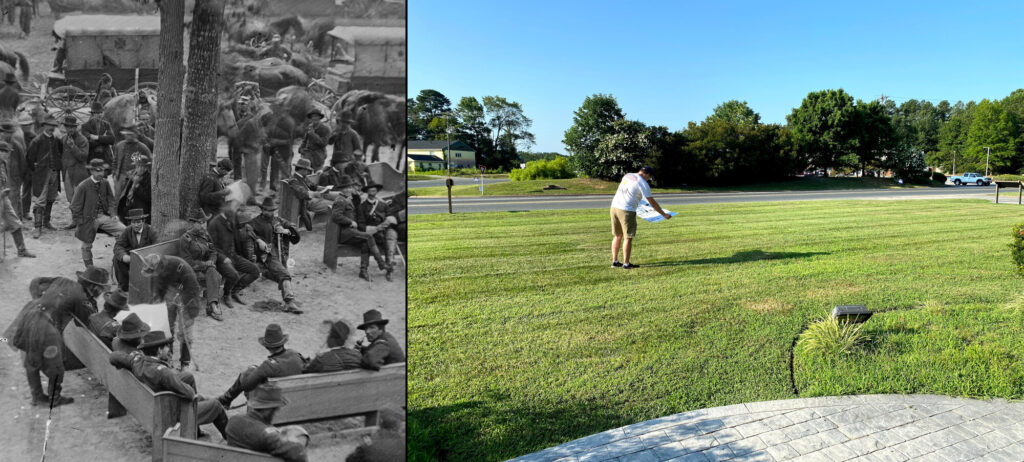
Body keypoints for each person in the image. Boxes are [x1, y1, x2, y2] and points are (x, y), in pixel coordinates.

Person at [4, 267, 111, 406]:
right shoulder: (82, 300)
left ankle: (36, 396)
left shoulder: (62, 280)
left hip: (29, 314)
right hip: (45, 326)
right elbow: (87, 324)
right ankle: (55, 399)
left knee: (31, 359)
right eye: (101, 288)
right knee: (56, 366)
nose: (101, 292)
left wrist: (39, 299)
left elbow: (35, 282)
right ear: (93, 287)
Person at [109, 331, 229, 438]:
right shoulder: (163, 373)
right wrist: (201, 397)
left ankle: (195, 430)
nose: (169, 349)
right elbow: (190, 394)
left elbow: (113, 356)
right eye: (166, 346)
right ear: (159, 350)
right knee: (216, 405)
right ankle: (232, 440)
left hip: (153, 404)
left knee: (188, 377)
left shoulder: (137, 361)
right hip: (168, 414)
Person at [216, 324, 305, 409]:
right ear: (283, 342)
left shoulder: (268, 365)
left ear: (267, 346)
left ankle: (225, 400)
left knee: (247, 373)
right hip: (296, 401)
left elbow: (246, 386)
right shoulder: (296, 355)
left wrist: (253, 370)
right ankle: (225, 400)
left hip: (272, 404)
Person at [141, 254, 206, 369]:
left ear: (157, 267)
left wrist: (183, 302)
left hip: (188, 294)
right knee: (166, 326)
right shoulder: (159, 269)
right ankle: (168, 357)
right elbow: (159, 286)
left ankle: (184, 363)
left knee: (185, 331)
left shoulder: (180, 267)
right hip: (171, 291)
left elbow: (192, 287)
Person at [225, 383, 309, 462]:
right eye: (275, 410)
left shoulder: (233, 421)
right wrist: (294, 441)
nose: (276, 412)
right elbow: (299, 455)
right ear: (268, 410)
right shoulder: (267, 435)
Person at [246, 197, 302, 313]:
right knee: (284, 273)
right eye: (268, 211)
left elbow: (290, 225)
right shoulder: (255, 222)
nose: (271, 213)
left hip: (278, 253)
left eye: (272, 211)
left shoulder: (276, 219)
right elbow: (247, 230)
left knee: (281, 273)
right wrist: (258, 240)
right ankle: (289, 302)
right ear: (262, 210)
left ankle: (268, 274)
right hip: (266, 255)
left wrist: (286, 230)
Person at [609, 166, 671, 269]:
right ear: (647, 174)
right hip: (626, 210)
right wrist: (663, 214)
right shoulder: (643, 183)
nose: (648, 179)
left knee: (617, 235)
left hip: (614, 207)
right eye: (649, 177)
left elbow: (630, 193)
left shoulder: (628, 175)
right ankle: (626, 264)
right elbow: (652, 202)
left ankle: (615, 261)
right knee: (628, 237)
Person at [70, 159, 126, 267]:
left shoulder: (105, 183)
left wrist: (113, 214)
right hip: (88, 218)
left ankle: (118, 259)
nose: (101, 173)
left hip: (103, 216)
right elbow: (74, 206)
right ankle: (89, 268)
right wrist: (80, 222)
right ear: (91, 171)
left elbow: (111, 200)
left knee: (123, 230)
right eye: (97, 171)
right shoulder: (83, 186)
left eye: (102, 171)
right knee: (86, 245)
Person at [179, 207, 229, 321]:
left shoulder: (205, 235)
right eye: (200, 223)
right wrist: (205, 264)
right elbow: (187, 261)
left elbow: (213, 251)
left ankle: (212, 305)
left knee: (213, 271)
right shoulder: (185, 239)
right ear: (192, 224)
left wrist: (211, 261)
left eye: (205, 223)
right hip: (191, 270)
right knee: (212, 272)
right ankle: (212, 306)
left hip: (205, 267)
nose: (203, 226)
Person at [208, 201, 260, 307]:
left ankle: (234, 291)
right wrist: (223, 258)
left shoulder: (231, 219)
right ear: (224, 208)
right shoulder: (214, 223)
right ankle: (226, 295)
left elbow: (238, 237)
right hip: (220, 259)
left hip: (233, 256)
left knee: (255, 271)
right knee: (234, 275)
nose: (234, 210)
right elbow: (211, 247)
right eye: (232, 208)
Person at [330, 176, 383, 280]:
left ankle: (363, 271)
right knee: (369, 237)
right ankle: (381, 262)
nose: (348, 190)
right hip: (345, 233)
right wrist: (350, 221)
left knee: (365, 243)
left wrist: (355, 195)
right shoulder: (340, 200)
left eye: (349, 187)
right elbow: (335, 216)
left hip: (351, 232)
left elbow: (356, 204)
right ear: (341, 189)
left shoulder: (347, 198)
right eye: (345, 188)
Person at [25, 115, 62, 237]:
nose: (51, 128)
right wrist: (37, 170)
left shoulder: (57, 140)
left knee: (51, 198)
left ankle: (47, 222)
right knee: (40, 200)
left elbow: (59, 153)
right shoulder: (37, 140)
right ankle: (37, 227)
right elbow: (30, 158)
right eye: (49, 125)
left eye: (53, 126)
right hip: (41, 175)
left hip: (54, 172)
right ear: (44, 126)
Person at [0, 140, 35, 257]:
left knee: (15, 222)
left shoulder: (3, 164)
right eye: (6, 153)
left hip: (4, 198)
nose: (8, 155)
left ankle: (22, 250)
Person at [356, 181, 396, 281]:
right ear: (367, 192)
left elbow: (390, 218)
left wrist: (384, 225)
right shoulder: (361, 207)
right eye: (370, 189)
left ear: (377, 191)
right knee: (366, 243)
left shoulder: (383, 205)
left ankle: (388, 270)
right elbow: (360, 224)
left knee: (388, 243)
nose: (372, 191)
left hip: (382, 231)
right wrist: (371, 229)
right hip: (370, 232)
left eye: (374, 189)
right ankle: (363, 270)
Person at [112, 208, 157, 291]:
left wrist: (147, 258)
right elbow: (118, 246)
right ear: (130, 223)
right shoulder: (127, 230)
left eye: (138, 222)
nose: (136, 225)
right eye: (133, 222)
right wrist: (124, 257)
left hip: (147, 260)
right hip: (132, 259)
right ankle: (124, 287)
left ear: (143, 221)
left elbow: (157, 247)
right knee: (116, 258)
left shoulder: (151, 231)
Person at [282, 158, 333, 231]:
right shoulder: (294, 180)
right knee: (333, 204)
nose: (308, 172)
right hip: (307, 203)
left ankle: (321, 221)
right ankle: (326, 223)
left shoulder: (302, 177)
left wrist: (323, 189)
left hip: (311, 200)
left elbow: (313, 186)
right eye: (307, 170)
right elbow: (302, 193)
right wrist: (316, 194)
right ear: (303, 170)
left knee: (333, 199)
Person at [111, 128, 151, 200]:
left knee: (131, 198)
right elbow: (115, 160)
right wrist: (114, 173)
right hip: (120, 177)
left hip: (134, 178)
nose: (128, 136)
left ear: (135, 134)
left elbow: (149, 162)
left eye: (130, 134)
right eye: (126, 134)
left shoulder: (142, 147)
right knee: (118, 198)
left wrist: (141, 177)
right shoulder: (119, 145)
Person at [60, 115, 90, 206]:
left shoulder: (82, 140)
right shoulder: (63, 139)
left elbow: (83, 157)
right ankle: (75, 219)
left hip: (79, 174)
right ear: (65, 127)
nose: (70, 129)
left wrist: (73, 147)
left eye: (72, 127)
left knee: (80, 200)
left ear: (76, 127)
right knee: (70, 199)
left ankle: (81, 219)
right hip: (67, 174)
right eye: (68, 127)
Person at [1, 121, 26, 221]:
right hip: (4, 176)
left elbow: (22, 161)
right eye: (5, 132)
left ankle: (16, 221)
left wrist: (20, 176)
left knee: (14, 198)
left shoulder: (16, 145)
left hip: (14, 176)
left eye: (9, 133)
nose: (7, 134)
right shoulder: (1, 144)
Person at [116, 154, 152, 223]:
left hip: (140, 209)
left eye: (143, 166)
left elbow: (147, 197)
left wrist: (137, 185)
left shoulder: (149, 178)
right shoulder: (131, 175)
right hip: (127, 205)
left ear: (146, 167)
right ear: (135, 167)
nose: (140, 168)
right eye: (138, 166)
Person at [81, 102, 115, 166]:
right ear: (93, 114)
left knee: (106, 174)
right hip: (92, 158)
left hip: (106, 158)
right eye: (97, 113)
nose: (99, 115)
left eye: (101, 113)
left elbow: (112, 140)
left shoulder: (107, 125)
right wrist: (104, 139)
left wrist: (97, 137)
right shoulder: (85, 126)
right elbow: (88, 143)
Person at [17, 112, 34, 221]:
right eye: (24, 125)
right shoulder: (16, 137)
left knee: (27, 191)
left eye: (28, 125)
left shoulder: (34, 137)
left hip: (28, 168)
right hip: (17, 167)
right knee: (14, 191)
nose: (26, 127)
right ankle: (16, 212)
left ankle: (25, 211)